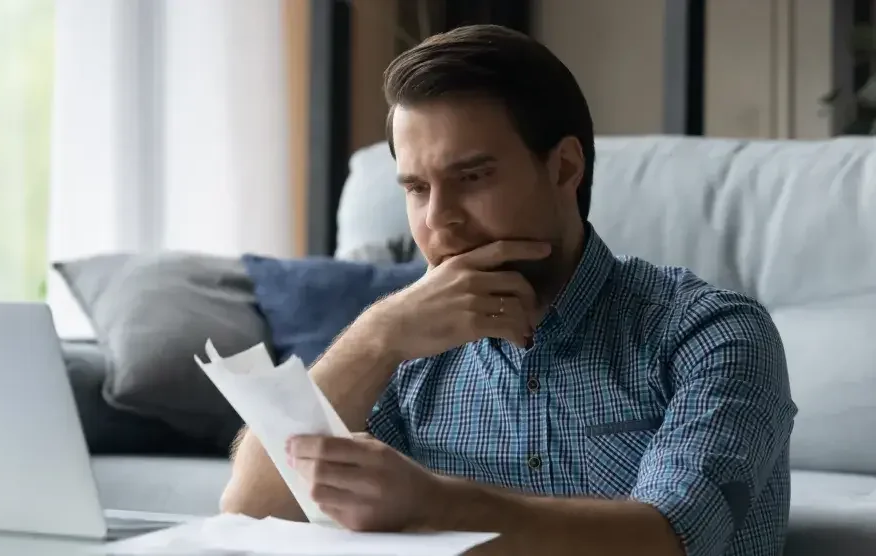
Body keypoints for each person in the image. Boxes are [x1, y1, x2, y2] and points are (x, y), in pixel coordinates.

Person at [221, 24, 796, 556]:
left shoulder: (713, 333)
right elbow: (251, 510)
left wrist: (436, 504)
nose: (440, 221)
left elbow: (667, 537)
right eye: (418, 188)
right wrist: (376, 338)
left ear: (566, 168)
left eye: (472, 178)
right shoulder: (409, 347)